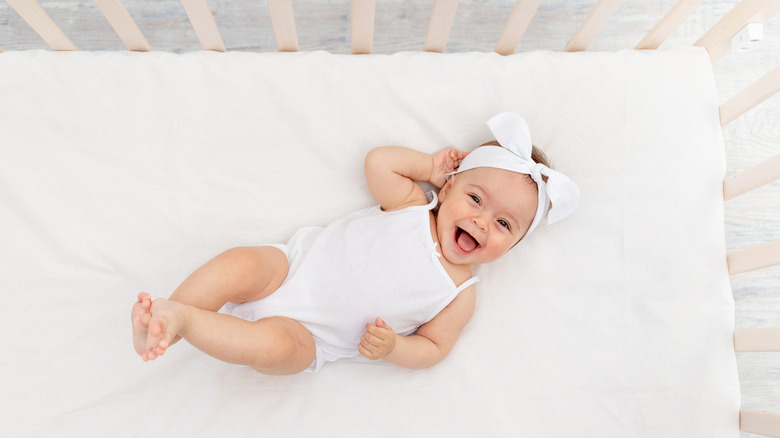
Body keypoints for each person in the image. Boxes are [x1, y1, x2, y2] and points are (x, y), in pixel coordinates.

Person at [130, 112, 580, 375]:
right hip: (290, 269)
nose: (481, 222)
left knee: (277, 350)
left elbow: (435, 349)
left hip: (313, 338)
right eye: (475, 198)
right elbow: (379, 162)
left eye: (504, 224)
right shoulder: (412, 205)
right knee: (242, 263)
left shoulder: (460, 295)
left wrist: (395, 349)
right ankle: (167, 318)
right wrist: (429, 166)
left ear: (514, 244)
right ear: (448, 189)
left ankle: (185, 323)